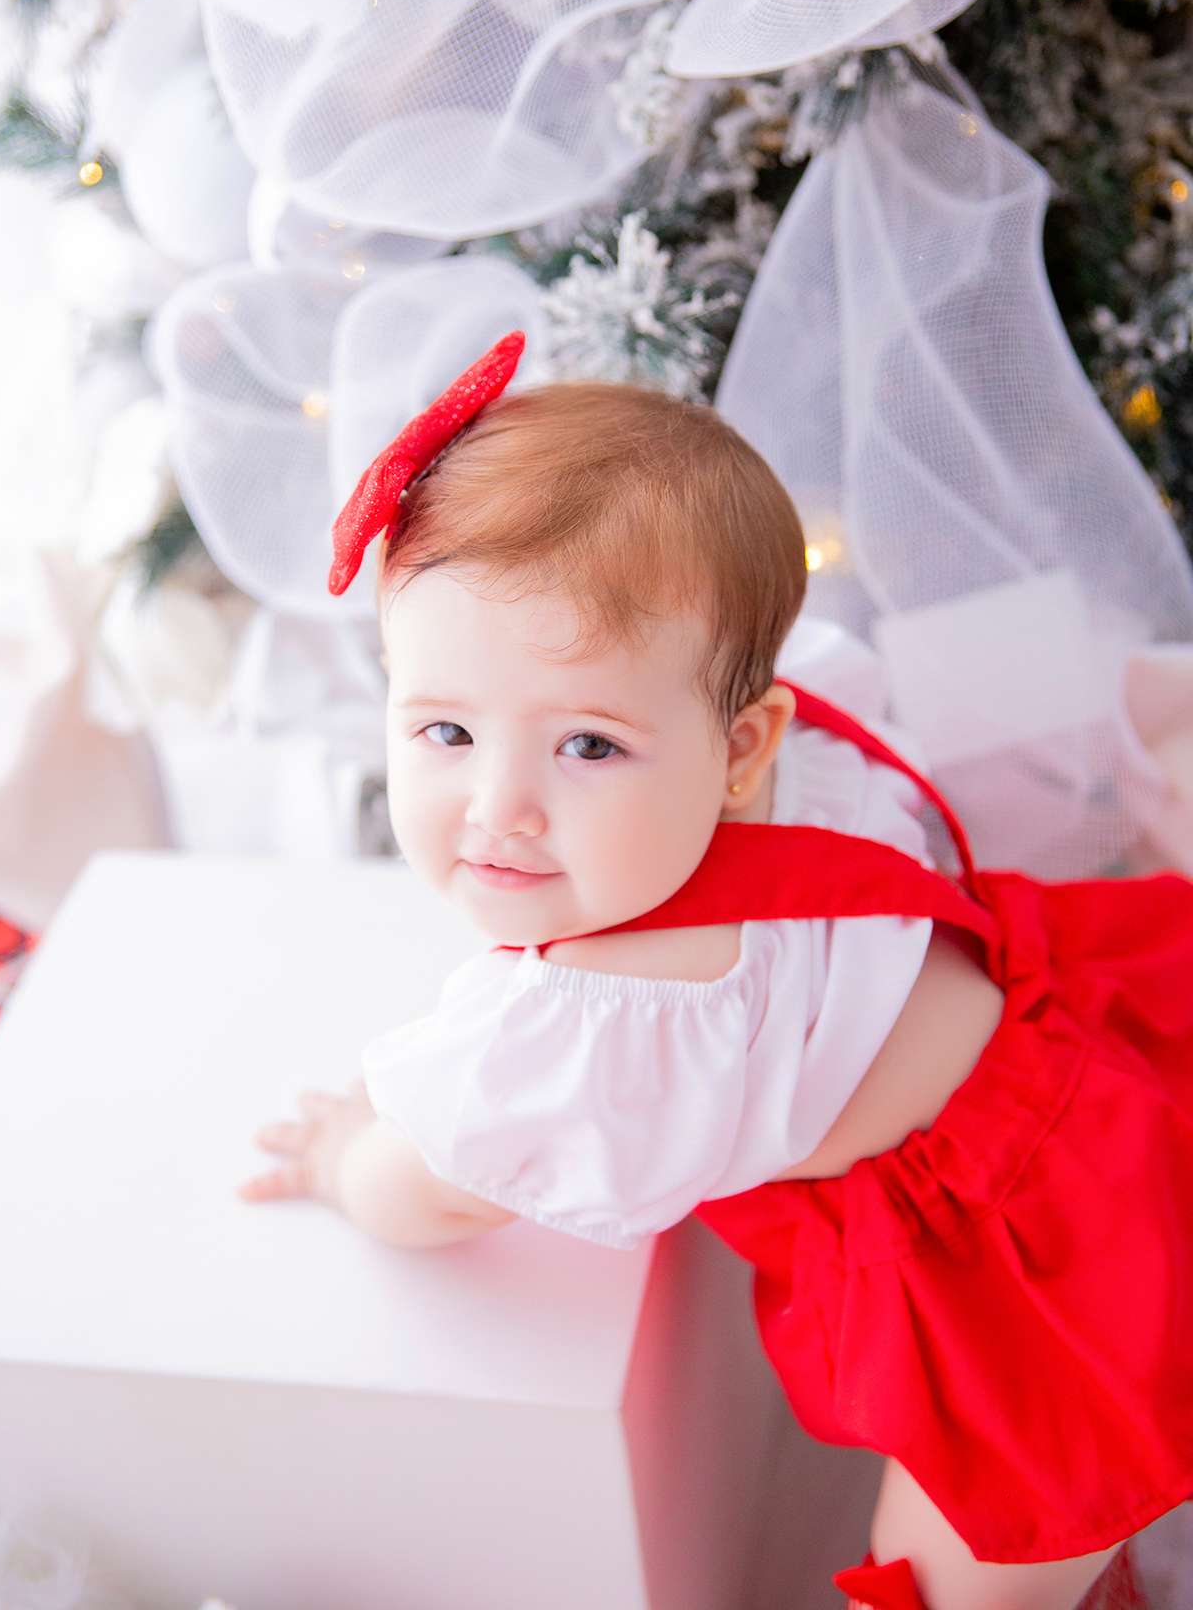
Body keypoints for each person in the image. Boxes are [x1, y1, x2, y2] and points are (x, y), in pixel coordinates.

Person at [242, 335, 1190, 1610]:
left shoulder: (621, 1010)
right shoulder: (793, 755)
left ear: (742, 746)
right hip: (1097, 1059)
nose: (499, 807)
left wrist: (341, 1160)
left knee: (977, 1568)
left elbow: (445, 1186)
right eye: (447, 730)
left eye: (587, 745)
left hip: (1019, 1269)